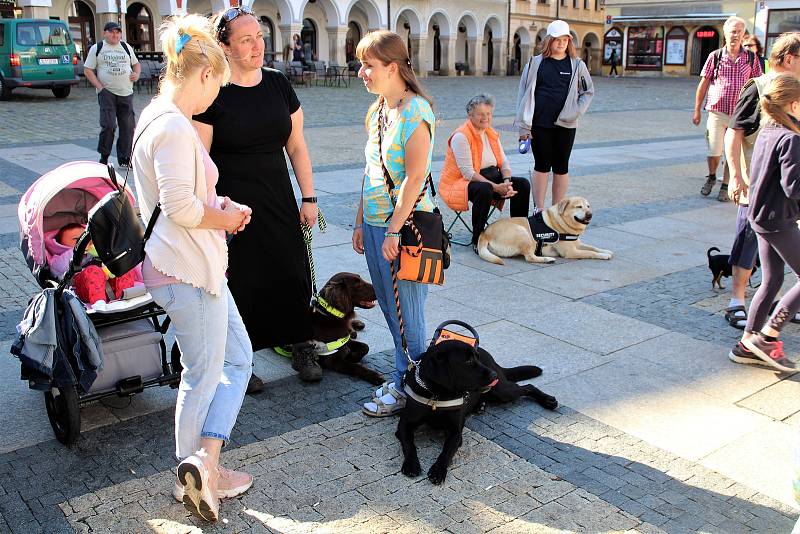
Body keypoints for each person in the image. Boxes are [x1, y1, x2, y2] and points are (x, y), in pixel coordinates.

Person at [132, 14, 254, 521]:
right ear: (203, 73)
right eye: (216, 87)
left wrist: (216, 202)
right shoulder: (175, 126)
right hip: (185, 269)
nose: (215, 100)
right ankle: (196, 475)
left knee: (236, 359)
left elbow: (178, 198)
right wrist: (223, 217)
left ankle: (205, 460)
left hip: (190, 266)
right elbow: (181, 208)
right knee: (204, 373)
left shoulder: (155, 117)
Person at [194, 7, 319, 383]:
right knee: (241, 280)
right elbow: (200, 161)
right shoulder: (212, 91)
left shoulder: (278, 83)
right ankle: (239, 361)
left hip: (278, 196)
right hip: (232, 204)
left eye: (259, 37)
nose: (256, 46)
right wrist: (212, 213)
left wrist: (309, 198)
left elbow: (297, 146)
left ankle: (301, 343)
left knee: (292, 270)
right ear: (225, 46)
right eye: (245, 40)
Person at [352, 30, 435, 417]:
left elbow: (414, 179)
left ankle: (415, 387)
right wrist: (359, 223)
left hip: (404, 229)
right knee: (389, 307)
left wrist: (392, 230)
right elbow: (371, 172)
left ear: (393, 66)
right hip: (375, 226)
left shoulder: (416, 112)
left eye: (368, 65)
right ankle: (405, 376)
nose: (361, 72)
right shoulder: (379, 111)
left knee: (410, 315)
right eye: (361, 64)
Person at [723, 32, 800, 332]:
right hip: (762, 189)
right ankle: (737, 301)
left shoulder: (787, 106)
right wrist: (736, 176)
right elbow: (734, 131)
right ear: (790, 58)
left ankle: (754, 336)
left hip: (776, 195)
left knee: (773, 274)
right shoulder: (758, 87)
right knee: (747, 242)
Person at [514, 19, 594, 211]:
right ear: (549, 40)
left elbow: (588, 92)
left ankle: (557, 209)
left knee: (561, 167)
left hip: (566, 125)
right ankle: (539, 209)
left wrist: (575, 112)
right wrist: (524, 127)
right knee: (541, 165)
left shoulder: (576, 65)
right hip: (540, 124)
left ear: (569, 42)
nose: (561, 43)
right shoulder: (534, 64)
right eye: (557, 39)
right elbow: (523, 95)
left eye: (565, 40)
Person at [439, 93, 530, 248]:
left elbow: (504, 162)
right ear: (470, 114)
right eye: (481, 114)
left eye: (488, 114)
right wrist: (496, 187)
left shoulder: (490, 132)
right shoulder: (461, 136)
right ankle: (478, 239)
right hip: (463, 183)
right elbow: (468, 172)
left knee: (522, 184)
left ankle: (519, 232)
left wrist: (506, 183)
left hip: (492, 177)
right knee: (485, 189)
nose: (486, 118)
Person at [693, 16, 762, 201]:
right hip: (717, 111)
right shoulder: (715, 56)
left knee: (733, 150)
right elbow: (704, 83)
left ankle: (725, 184)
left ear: (743, 34)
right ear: (725, 33)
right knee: (714, 151)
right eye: (733, 31)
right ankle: (712, 176)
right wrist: (697, 109)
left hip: (739, 114)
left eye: (740, 31)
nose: (736, 35)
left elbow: (759, 83)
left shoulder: (751, 58)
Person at [84, 22, 141, 168]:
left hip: (126, 92)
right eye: (112, 32)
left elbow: (136, 64)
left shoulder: (126, 47)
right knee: (108, 125)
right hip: (107, 93)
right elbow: (88, 70)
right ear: (105, 33)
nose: (115, 35)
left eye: (117, 32)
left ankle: (125, 157)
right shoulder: (98, 48)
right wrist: (100, 87)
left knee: (127, 127)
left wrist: (136, 74)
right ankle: (104, 156)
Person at [49, 223, 137, 305]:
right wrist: (79, 250)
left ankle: (125, 296)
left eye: (85, 237)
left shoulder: (95, 250)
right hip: (83, 289)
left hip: (109, 283)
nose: (83, 241)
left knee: (122, 267)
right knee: (93, 271)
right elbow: (58, 268)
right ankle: (99, 304)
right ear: (62, 245)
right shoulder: (59, 259)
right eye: (77, 239)